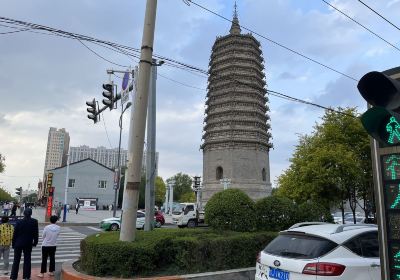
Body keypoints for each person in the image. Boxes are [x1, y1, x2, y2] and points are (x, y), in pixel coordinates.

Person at [10, 208, 39, 280]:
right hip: (28, 243)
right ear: (31, 214)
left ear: (24, 214)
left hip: (18, 243)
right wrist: (35, 242)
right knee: (27, 260)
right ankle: (26, 277)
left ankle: (13, 277)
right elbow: (36, 234)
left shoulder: (19, 222)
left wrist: (13, 244)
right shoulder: (34, 221)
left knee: (16, 260)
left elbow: (15, 234)